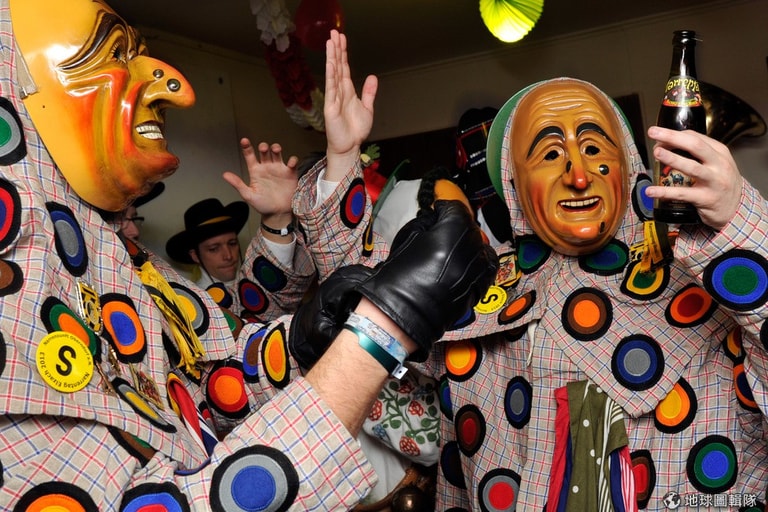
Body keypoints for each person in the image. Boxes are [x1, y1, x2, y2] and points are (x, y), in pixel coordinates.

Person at [0, 2, 498, 511]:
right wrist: (379, 333)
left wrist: (303, 339)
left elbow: (208, 388)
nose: (178, 87)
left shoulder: (124, 266)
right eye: (112, 53)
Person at [261, 31, 768, 509]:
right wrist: (342, 156)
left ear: (628, 164)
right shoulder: (477, 290)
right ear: (514, 184)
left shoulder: (709, 273)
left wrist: (738, 217)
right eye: (550, 153)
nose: (577, 174)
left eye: (594, 148)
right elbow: (358, 311)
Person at [166, 197, 249, 289]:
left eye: (232, 243)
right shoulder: (197, 297)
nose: (228, 256)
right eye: (214, 249)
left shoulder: (254, 284)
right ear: (195, 256)